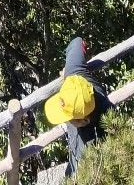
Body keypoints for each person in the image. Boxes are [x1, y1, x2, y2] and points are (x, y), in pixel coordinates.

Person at [44, 37, 108, 176]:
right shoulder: (75, 73)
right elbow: (77, 42)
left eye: (67, 117)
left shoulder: (87, 146)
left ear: (84, 121)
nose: (64, 119)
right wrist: (67, 72)